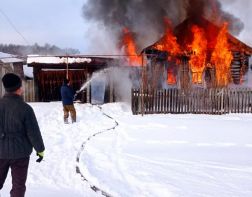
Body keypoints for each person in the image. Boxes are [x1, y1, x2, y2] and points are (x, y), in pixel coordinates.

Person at [0, 73, 45, 197]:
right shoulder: (25, 109)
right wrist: (40, 150)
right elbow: (33, 132)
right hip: (20, 153)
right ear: (19, 88)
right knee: (18, 186)